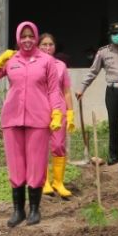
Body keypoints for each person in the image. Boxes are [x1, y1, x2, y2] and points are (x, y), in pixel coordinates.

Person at [0, 22, 65, 227]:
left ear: (36, 38)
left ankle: (35, 210)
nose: (27, 40)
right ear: (18, 38)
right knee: (15, 165)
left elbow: (54, 90)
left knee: (36, 165)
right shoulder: (11, 60)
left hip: (38, 119)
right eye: (24, 36)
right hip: (12, 119)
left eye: (31, 36)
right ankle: (17, 211)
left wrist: (57, 113)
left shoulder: (47, 61)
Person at [77, 22, 118, 165]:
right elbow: (93, 72)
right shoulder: (103, 52)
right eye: (115, 34)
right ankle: (114, 156)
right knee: (113, 123)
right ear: (110, 36)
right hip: (113, 91)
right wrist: (82, 89)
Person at [38, 32, 76, 199]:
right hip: (39, 109)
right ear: (38, 46)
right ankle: (43, 180)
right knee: (40, 146)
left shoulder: (61, 65)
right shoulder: (34, 64)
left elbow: (66, 91)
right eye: (44, 44)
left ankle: (58, 182)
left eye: (50, 44)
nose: (47, 47)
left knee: (58, 145)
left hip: (59, 110)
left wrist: (70, 112)